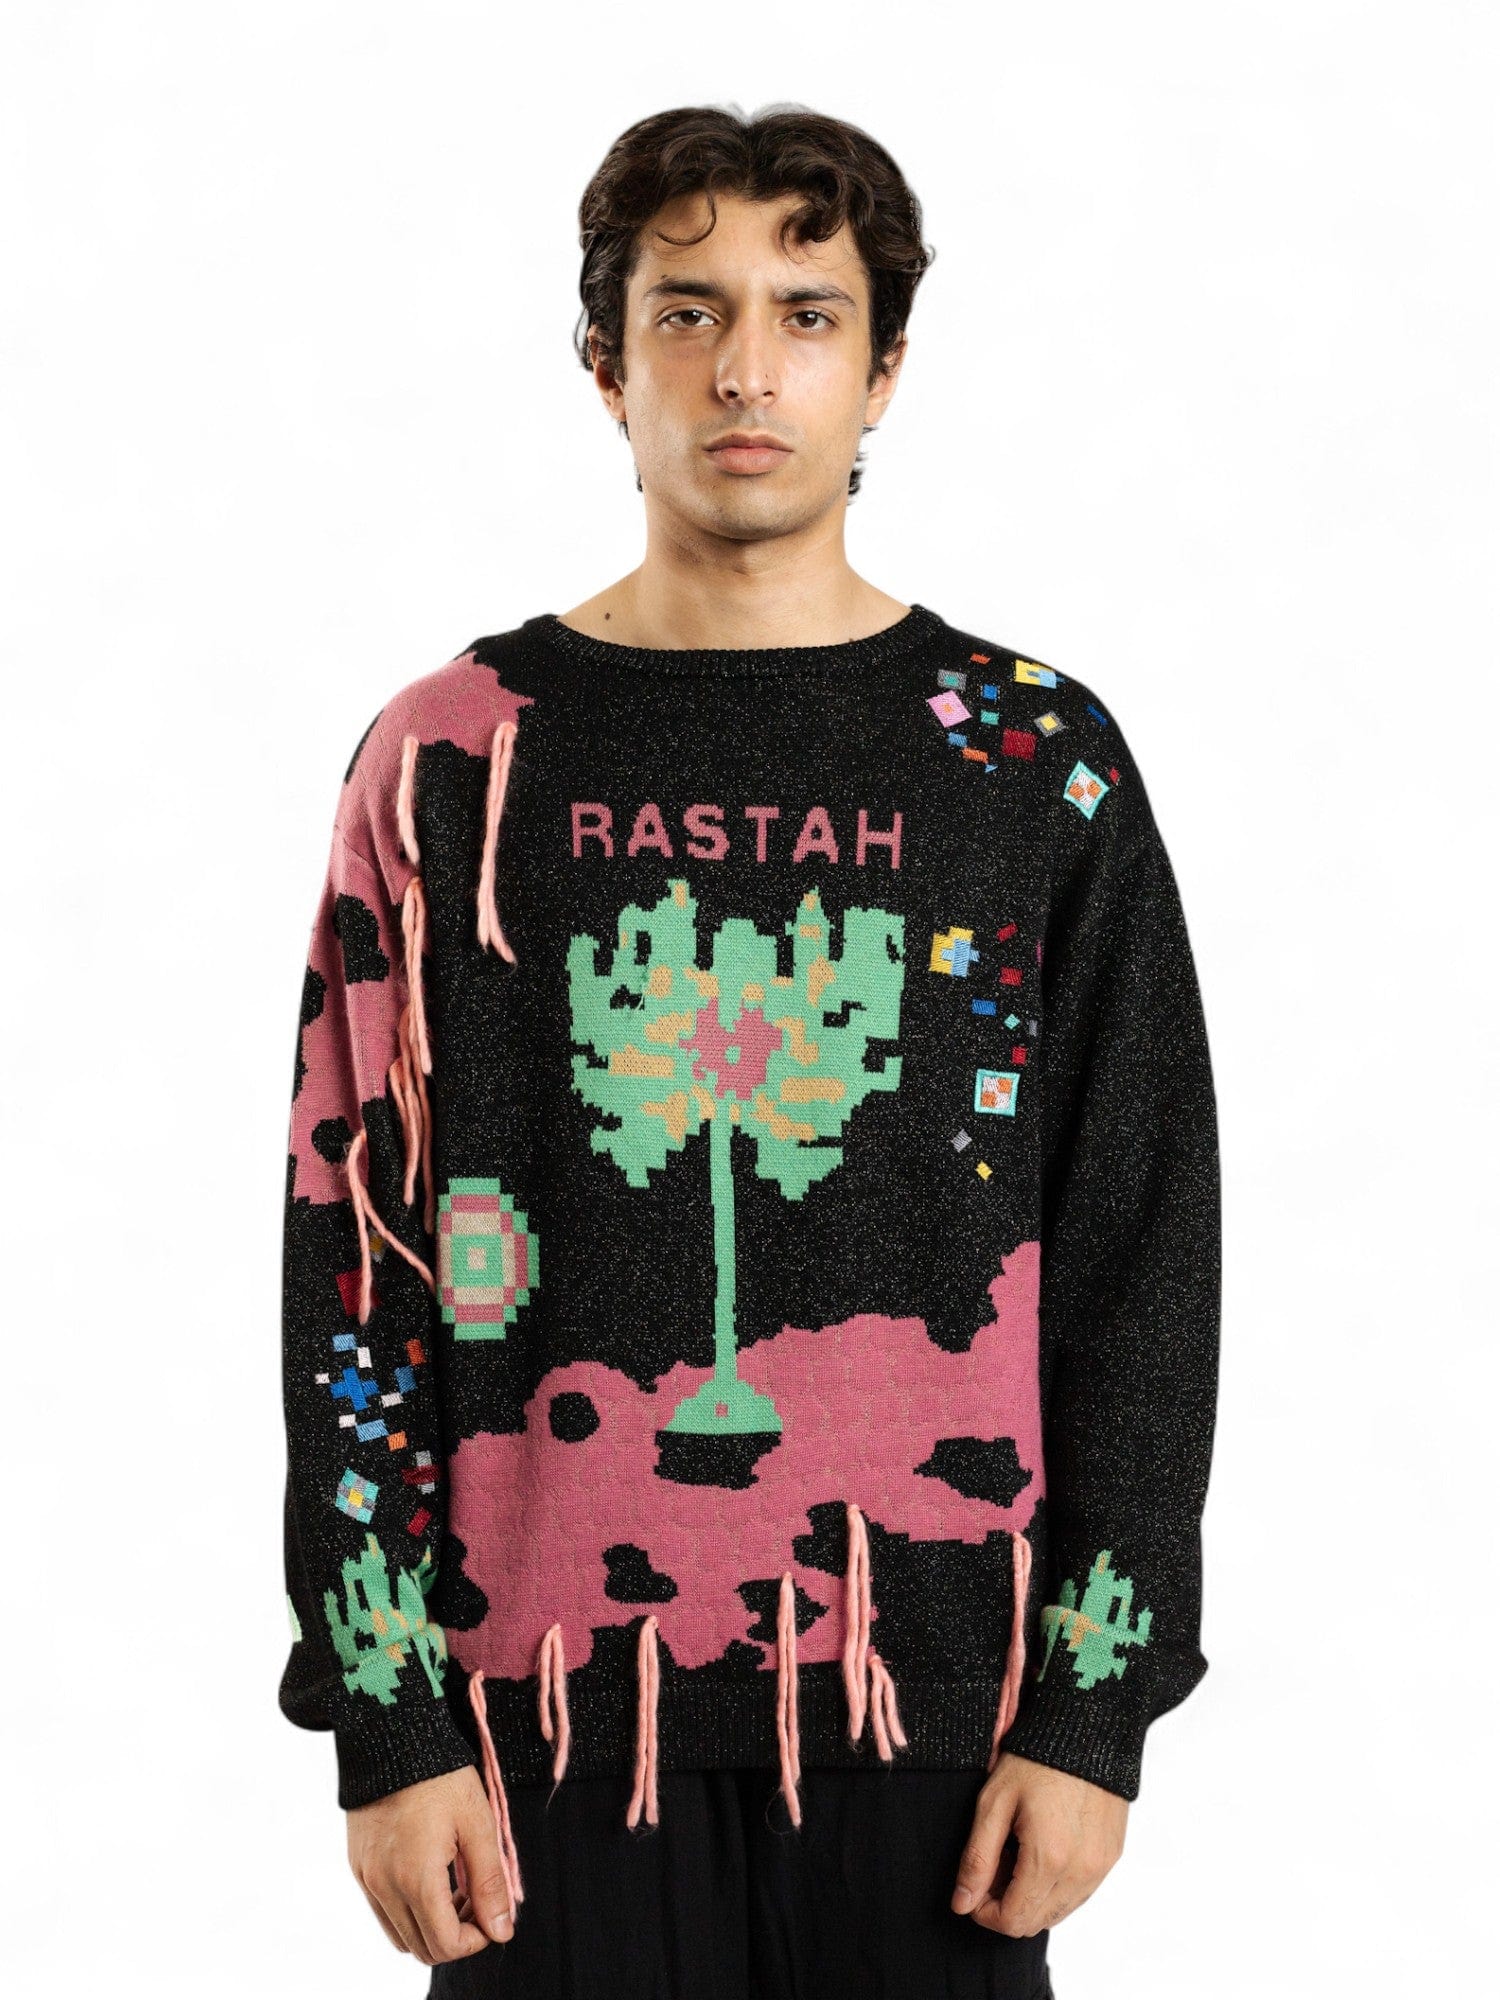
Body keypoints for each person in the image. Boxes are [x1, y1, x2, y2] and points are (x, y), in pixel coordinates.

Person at [277, 102, 1220, 2000]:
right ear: (604, 362)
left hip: (940, 1710)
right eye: (686, 311)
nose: (744, 369)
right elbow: (353, 1238)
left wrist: (1095, 1703)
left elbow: (1139, 1240)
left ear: (884, 368)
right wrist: (384, 1707)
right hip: (533, 1724)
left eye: (806, 313)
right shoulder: (453, 753)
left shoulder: (1025, 759)